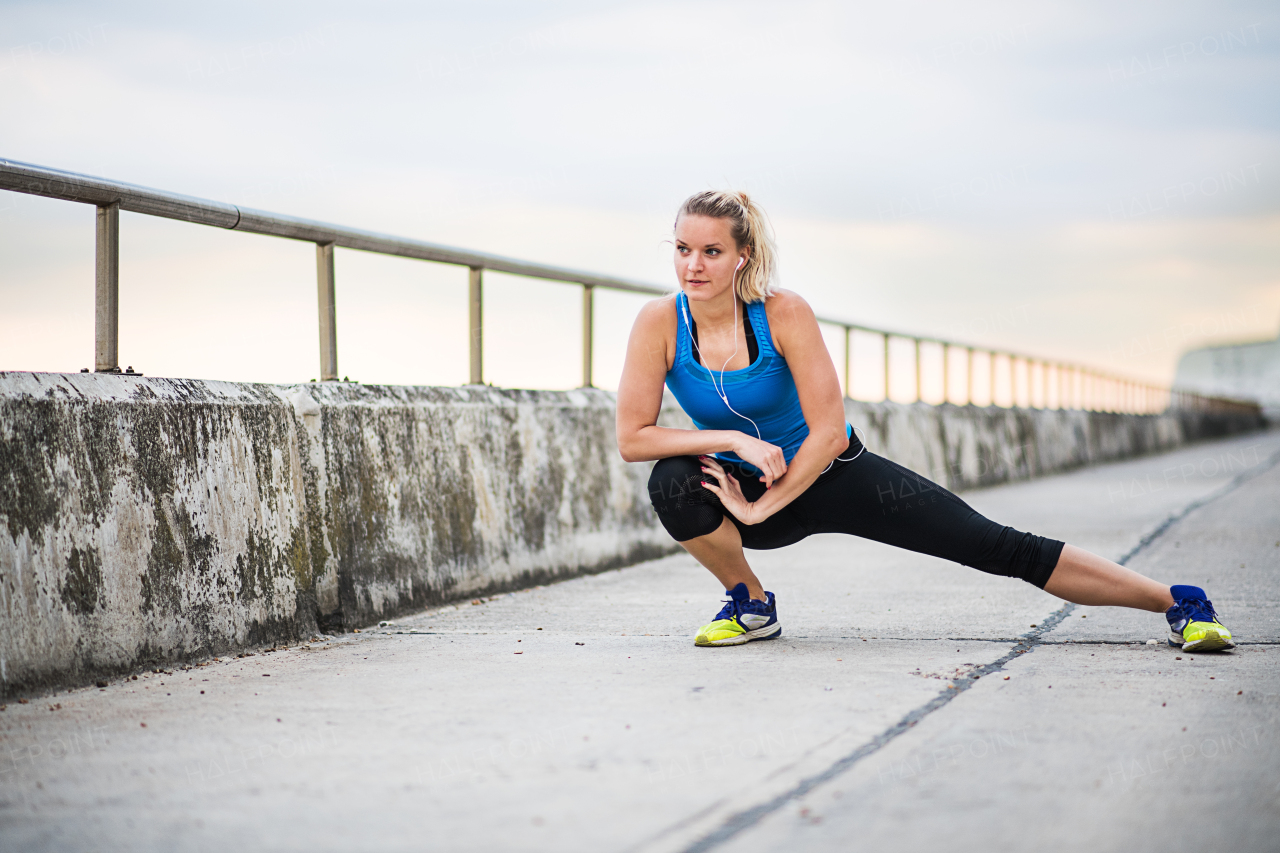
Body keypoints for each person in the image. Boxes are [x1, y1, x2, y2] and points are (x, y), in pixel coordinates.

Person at [615, 190, 1235, 652]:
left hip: (835, 472)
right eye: (683, 249)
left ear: (742, 257)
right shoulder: (659, 323)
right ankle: (750, 604)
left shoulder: (783, 312)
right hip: (746, 476)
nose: (693, 265)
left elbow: (829, 431)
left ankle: (1178, 602)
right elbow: (633, 437)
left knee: (996, 546)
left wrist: (762, 510)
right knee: (672, 479)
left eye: (711, 251)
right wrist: (731, 441)